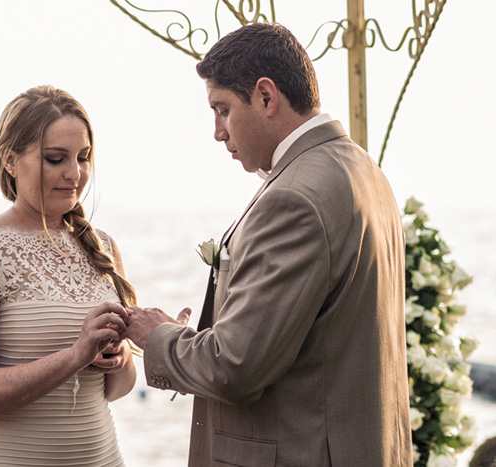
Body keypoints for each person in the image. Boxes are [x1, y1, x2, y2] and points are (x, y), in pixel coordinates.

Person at [124, 22, 412, 466]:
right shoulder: (362, 169)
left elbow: (234, 366)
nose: (218, 132)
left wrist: (157, 337)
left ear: (265, 96)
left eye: (222, 109)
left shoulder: (294, 198)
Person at [0, 85, 136, 466]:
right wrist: (76, 355)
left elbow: (116, 389)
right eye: (55, 158)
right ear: (10, 160)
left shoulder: (103, 246)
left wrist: (119, 356)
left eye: (83, 157)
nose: (75, 173)